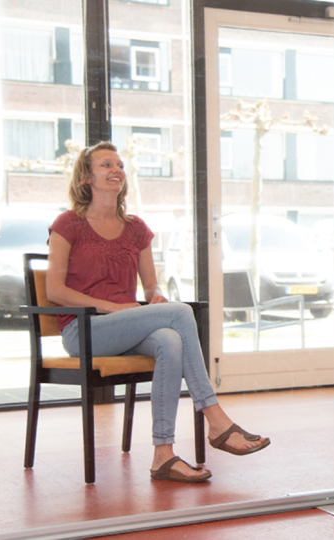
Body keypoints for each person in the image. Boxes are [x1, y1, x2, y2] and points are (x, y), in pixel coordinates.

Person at [46, 141, 270, 483]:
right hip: (85, 332)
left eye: (119, 165)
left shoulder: (136, 229)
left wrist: (156, 297)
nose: (116, 170)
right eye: (106, 165)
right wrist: (114, 307)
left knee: (169, 338)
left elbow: (152, 287)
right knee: (180, 315)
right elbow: (54, 291)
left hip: (126, 327)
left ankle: (162, 455)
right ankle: (217, 421)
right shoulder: (68, 224)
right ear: (86, 177)